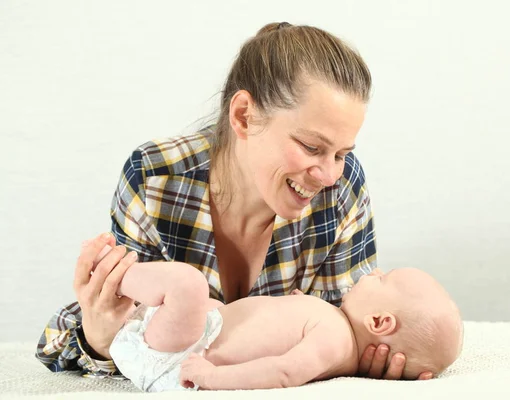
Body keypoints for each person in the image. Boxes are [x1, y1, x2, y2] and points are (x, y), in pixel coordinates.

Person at [36, 22, 434, 381]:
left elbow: (353, 324)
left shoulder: (342, 188)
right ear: (243, 116)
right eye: (312, 146)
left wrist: (364, 358)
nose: (330, 174)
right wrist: (98, 340)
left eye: (342, 153)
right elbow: (127, 331)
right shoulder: (156, 177)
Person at [101, 241, 462, 391]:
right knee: (208, 305)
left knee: (190, 286)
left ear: (379, 322)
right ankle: (117, 298)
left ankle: (110, 273)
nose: (371, 272)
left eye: (382, 279)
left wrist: (213, 378)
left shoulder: (335, 339)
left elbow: (286, 372)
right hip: (196, 337)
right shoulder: (333, 325)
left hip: (182, 361)